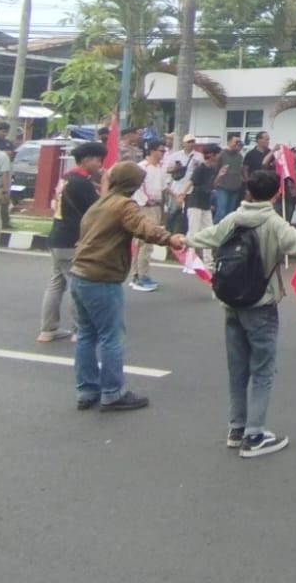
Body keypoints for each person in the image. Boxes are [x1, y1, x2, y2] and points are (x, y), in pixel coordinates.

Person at [183, 167, 296, 457]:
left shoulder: (232, 219)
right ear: (277, 193)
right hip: (260, 305)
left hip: (231, 303)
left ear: (248, 191)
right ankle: (254, 436)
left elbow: (204, 237)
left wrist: (179, 240)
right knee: (263, 371)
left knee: (237, 370)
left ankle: (237, 428)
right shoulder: (274, 223)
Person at [68, 162, 186, 412]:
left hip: (80, 274)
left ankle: (87, 390)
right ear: (132, 185)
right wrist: (170, 239)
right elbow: (144, 228)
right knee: (112, 337)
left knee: (87, 336)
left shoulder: (99, 203)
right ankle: (112, 393)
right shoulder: (123, 205)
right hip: (102, 276)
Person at [39, 142, 103, 342]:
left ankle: (48, 329)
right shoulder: (81, 183)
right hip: (72, 240)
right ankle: (79, 329)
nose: (100, 164)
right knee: (78, 285)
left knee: (56, 283)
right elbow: (99, 209)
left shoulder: (67, 178)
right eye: (97, 160)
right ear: (86, 160)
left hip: (57, 236)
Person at [128, 141, 170, 291]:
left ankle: (141, 273)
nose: (163, 154)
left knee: (148, 242)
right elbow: (136, 188)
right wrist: (146, 200)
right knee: (144, 242)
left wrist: (175, 196)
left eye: (164, 151)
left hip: (157, 207)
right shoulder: (141, 167)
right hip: (145, 207)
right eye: (160, 151)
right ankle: (139, 276)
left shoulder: (160, 168)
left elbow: (164, 187)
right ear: (152, 151)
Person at [184, 144, 220, 264]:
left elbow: (212, 184)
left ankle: (208, 259)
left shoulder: (212, 169)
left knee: (209, 230)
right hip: (195, 201)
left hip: (205, 202)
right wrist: (181, 193)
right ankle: (190, 260)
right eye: (217, 154)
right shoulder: (200, 168)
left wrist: (219, 176)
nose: (218, 156)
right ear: (211, 155)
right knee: (193, 231)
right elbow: (191, 181)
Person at [213, 134, 247, 223]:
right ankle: (215, 231)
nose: (237, 144)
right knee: (221, 212)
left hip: (235, 187)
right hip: (222, 186)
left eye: (239, 142)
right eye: (236, 142)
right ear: (228, 142)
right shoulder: (221, 154)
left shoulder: (239, 156)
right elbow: (215, 170)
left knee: (230, 213)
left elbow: (240, 171)